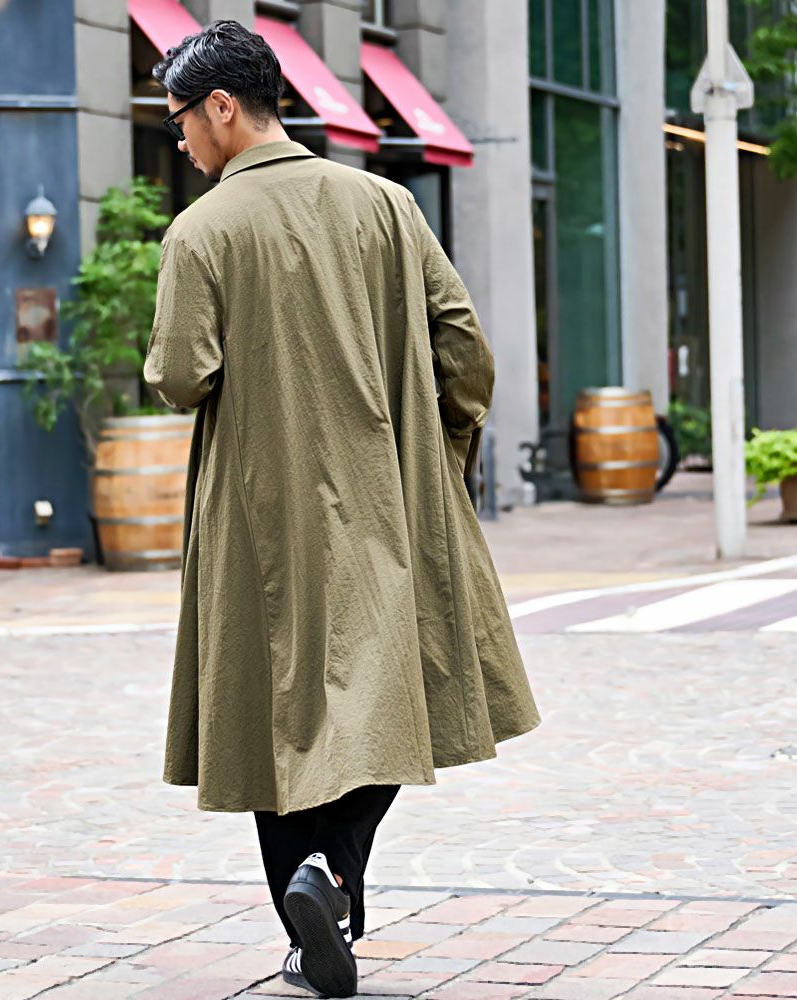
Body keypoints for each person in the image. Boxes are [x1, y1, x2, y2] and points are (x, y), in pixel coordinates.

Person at [143, 20, 541, 998]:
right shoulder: (386, 204)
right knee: (397, 692)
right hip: (386, 499)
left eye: (180, 119)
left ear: (222, 107)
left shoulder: (202, 231)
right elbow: (464, 347)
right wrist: (441, 453)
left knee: (267, 710)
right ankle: (329, 878)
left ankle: (306, 907)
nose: (179, 139)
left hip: (257, 516)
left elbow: (182, 375)